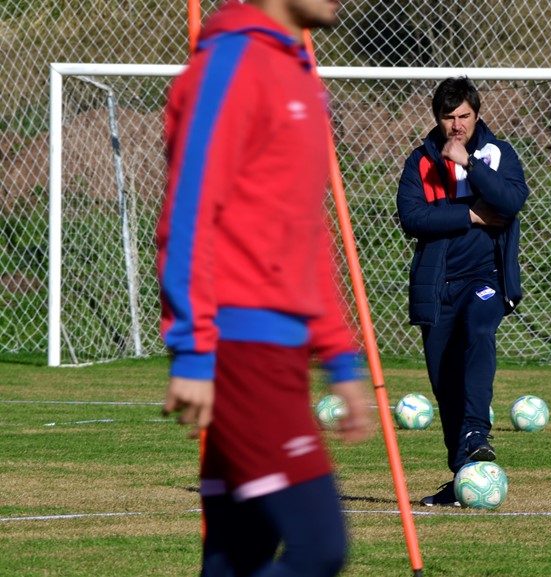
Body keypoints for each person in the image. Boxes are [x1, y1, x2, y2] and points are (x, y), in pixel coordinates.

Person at [157, 1, 372, 575]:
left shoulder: (295, 69)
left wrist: (339, 359)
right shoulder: (230, 64)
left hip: (278, 354)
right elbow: (188, 212)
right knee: (319, 548)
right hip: (239, 353)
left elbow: (307, 234)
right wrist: (195, 349)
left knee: (239, 557)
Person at [396, 77, 530, 506]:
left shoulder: (497, 154)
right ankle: (463, 476)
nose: (457, 126)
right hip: (437, 286)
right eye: (448, 118)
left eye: (464, 117)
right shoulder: (419, 161)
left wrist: (471, 164)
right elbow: (413, 219)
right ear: (437, 118)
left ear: (477, 113)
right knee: (444, 381)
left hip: (486, 278)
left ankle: (477, 432)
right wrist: (471, 215)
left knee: (478, 328)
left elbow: (510, 203)